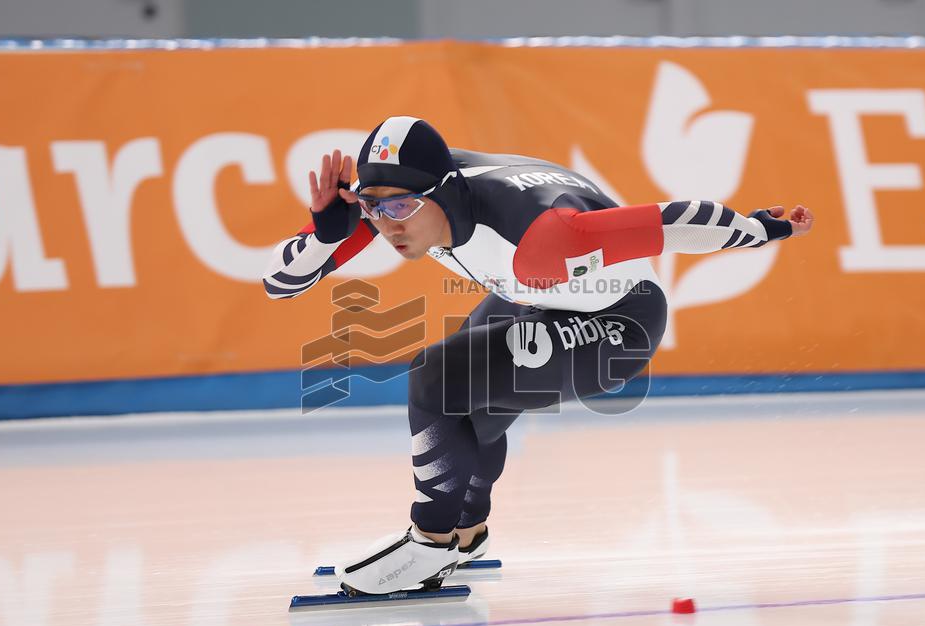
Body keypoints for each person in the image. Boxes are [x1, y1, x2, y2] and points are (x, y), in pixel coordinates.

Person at [263, 116, 814, 596]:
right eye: (372, 208)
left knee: (439, 375)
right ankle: (466, 532)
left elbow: (667, 222)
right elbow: (276, 285)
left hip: (617, 321)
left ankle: (429, 542)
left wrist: (762, 227)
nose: (388, 227)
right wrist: (326, 234)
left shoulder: (541, 240)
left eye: (401, 209)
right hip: (532, 296)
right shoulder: (397, 198)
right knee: (473, 394)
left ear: (443, 192)